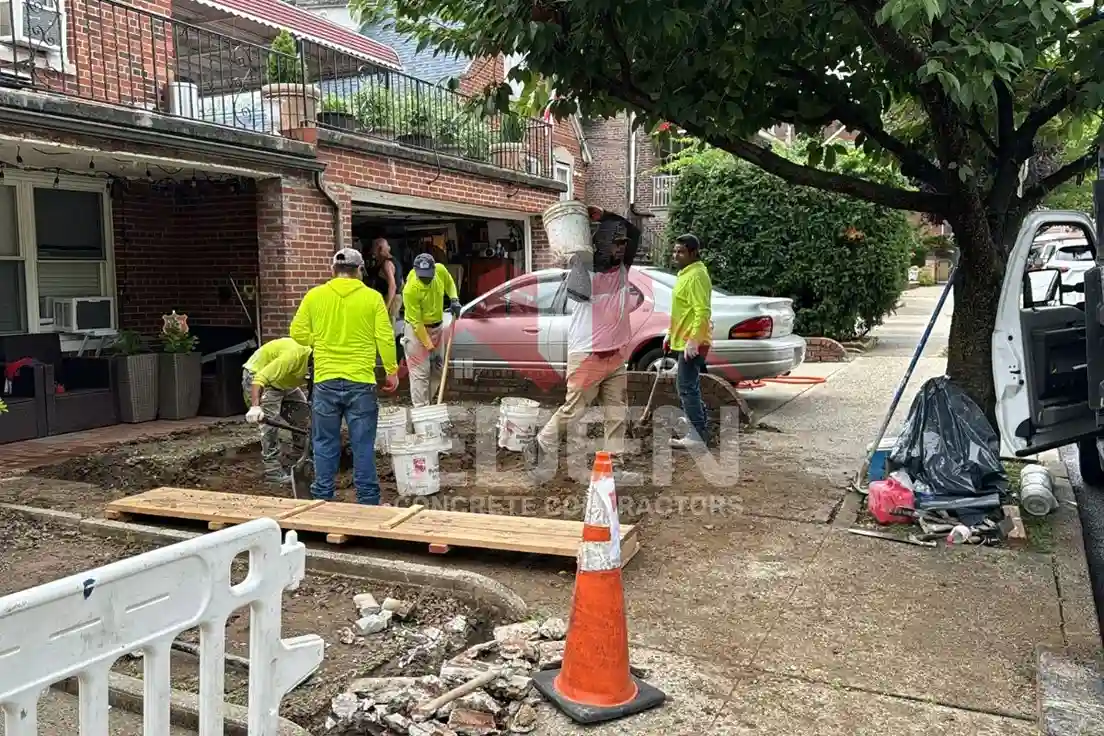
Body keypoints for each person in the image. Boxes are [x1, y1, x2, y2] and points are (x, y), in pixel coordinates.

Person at [524, 207, 641, 481]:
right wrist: (582, 254)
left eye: (623, 244)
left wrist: (606, 215)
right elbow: (579, 282)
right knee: (573, 411)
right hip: (588, 356)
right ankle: (541, 443)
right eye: (617, 243)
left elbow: (635, 231)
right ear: (600, 246)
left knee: (616, 412)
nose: (622, 248)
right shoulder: (583, 274)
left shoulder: (622, 269)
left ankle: (614, 462)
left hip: (615, 356)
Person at [290, 247, 399, 505]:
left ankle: (321, 499)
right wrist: (392, 371)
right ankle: (368, 502)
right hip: (361, 382)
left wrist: (319, 341)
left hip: (326, 381)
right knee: (362, 445)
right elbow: (384, 336)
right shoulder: (372, 298)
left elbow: (297, 332)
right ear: (359, 270)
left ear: (333, 270)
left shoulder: (315, 296)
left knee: (324, 443)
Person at [664, 233, 713, 450]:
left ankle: (697, 435)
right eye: (674, 251)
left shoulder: (697, 276)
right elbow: (682, 311)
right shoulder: (685, 273)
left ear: (693, 253)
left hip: (692, 343)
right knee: (688, 385)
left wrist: (694, 340)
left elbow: (702, 311)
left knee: (686, 387)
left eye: (681, 251)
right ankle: (699, 426)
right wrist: (669, 334)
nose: (676, 255)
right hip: (683, 340)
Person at [242, 337, 312, 484]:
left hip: (285, 381)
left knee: (303, 417)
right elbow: (260, 379)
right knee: (270, 427)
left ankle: (298, 462)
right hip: (258, 375)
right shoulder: (293, 356)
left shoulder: (321, 363)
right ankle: (272, 472)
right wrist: (255, 406)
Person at [402, 252, 461, 408]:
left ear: (434, 269)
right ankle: (421, 410)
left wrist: (454, 298)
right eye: (422, 276)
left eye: (428, 275)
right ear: (415, 271)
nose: (426, 279)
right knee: (420, 373)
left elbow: (449, 283)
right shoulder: (410, 290)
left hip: (437, 326)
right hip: (416, 331)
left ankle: (428, 406)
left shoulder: (440, 270)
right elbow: (417, 324)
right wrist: (431, 348)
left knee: (437, 369)